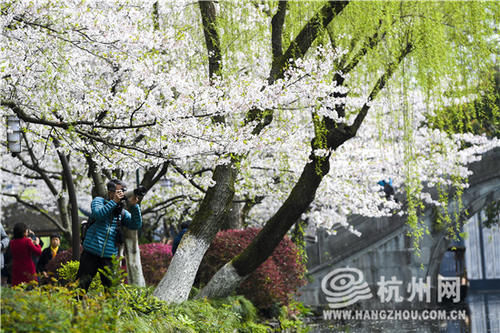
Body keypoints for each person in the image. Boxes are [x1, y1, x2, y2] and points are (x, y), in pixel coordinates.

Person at [76, 179, 142, 292]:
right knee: (81, 287)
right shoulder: (98, 201)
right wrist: (114, 202)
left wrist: (134, 206)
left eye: (123, 191)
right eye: (118, 191)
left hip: (108, 256)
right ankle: (74, 308)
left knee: (110, 291)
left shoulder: (121, 212)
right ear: (110, 192)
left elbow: (136, 224)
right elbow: (98, 214)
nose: (121, 194)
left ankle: (109, 310)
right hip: (90, 253)